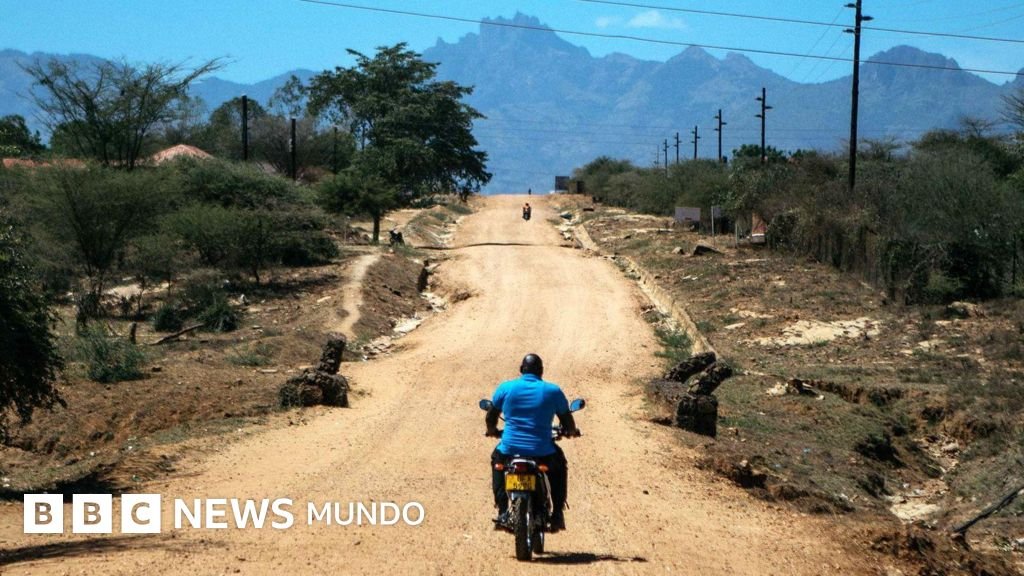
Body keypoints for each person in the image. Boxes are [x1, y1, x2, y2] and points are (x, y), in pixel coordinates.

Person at [485, 353, 579, 532]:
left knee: (497, 462)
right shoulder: (552, 391)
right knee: (559, 465)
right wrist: (571, 431)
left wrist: (492, 431)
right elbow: (567, 419)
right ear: (541, 371)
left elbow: (491, 416)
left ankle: (503, 511)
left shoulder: (506, 388)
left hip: (510, 449)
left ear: (521, 370)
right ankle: (557, 513)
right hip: (542, 450)